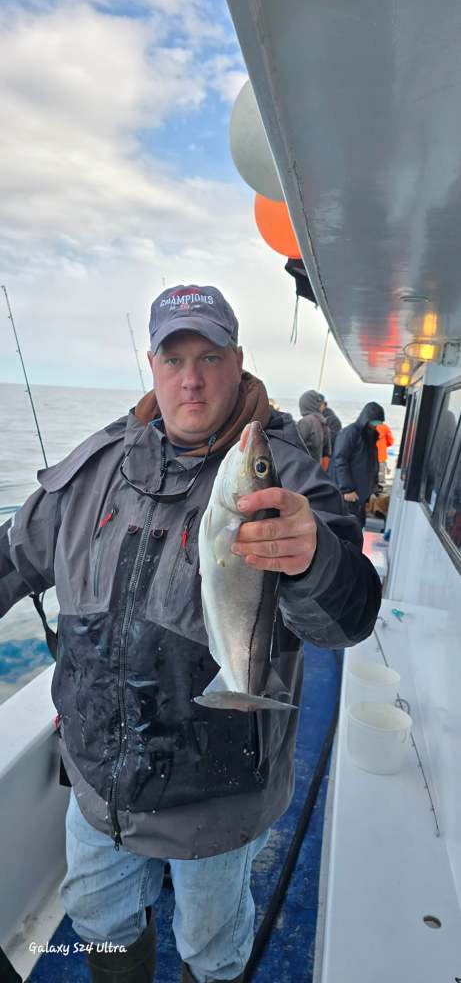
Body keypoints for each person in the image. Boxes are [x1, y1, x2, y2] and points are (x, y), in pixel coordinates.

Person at [0, 284, 382, 983]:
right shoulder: (95, 466)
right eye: (174, 357)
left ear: (237, 360)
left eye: (209, 355)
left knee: (211, 946)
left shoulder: (284, 475)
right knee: (100, 923)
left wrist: (315, 560)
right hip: (97, 779)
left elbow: (347, 619)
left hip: (216, 790)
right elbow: (13, 555)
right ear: (150, 364)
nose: (192, 378)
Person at [328, 401, 385, 527]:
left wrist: (374, 486)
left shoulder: (370, 435)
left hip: (360, 496)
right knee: (345, 527)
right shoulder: (350, 432)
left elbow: (371, 462)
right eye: (375, 421)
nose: (377, 424)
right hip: (349, 495)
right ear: (367, 418)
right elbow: (340, 460)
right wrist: (347, 489)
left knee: (358, 526)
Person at [297, 389, 331, 464]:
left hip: (302, 468)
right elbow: (327, 453)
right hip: (315, 469)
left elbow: (294, 446)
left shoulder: (306, 422)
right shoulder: (323, 421)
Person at [375, 421, 394, 488]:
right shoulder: (385, 427)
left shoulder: (365, 427)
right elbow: (391, 441)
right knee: (381, 478)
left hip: (367, 456)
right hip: (381, 455)